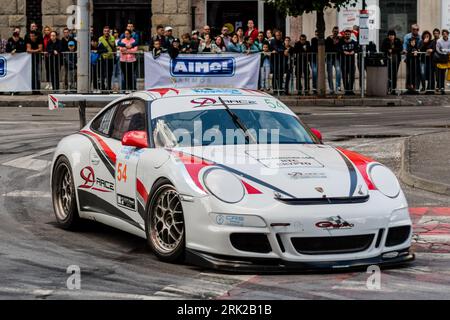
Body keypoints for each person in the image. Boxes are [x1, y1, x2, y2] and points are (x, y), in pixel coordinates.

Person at [381, 30, 403, 95]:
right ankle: (387, 88)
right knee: (388, 75)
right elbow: (382, 48)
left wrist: (392, 50)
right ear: (388, 36)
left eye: (392, 36)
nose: (391, 37)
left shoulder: (397, 40)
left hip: (396, 60)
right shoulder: (385, 40)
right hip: (387, 60)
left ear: (394, 36)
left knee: (394, 75)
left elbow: (400, 48)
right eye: (390, 36)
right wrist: (388, 50)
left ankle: (393, 89)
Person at [338, 28, 359, 95]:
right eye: (346, 34)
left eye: (348, 34)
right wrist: (343, 52)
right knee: (344, 76)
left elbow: (358, 49)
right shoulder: (341, 42)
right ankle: (346, 90)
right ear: (344, 34)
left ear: (350, 35)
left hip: (352, 63)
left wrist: (354, 51)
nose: (347, 35)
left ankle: (350, 90)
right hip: (343, 63)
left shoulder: (353, 42)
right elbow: (337, 49)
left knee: (352, 76)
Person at [98, 26, 116, 91]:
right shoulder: (100, 39)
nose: (106, 32)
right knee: (103, 74)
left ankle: (108, 87)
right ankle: (102, 87)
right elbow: (99, 48)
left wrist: (108, 40)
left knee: (109, 74)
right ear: (103, 32)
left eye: (107, 31)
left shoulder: (112, 38)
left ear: (109, 32)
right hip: (103, 58)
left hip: (111, 58)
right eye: (105, 31)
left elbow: (113, 46)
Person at [325, 26, 342, 94]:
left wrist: (336, 44)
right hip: (329, 58)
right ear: (332, 32)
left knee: (338, 71)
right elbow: (327, 48)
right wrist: (333, 42)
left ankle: (338, 87)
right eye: (334, 31)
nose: (336, 33)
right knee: (330, 73)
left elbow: (340, 48)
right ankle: (331, 89)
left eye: (337, 32)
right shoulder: (328, 39)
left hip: (337, 58)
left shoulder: (340, 39)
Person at [435, 29, 450, 95]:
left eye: (446, 34)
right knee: (440, 74)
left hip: (448, 58)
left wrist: (444, 50)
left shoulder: (449, 40)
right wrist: (442, 52)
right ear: (442, 34)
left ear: (448, 34)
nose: (444, 35)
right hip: (441, 58)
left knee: (446, 74)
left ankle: (443, 88)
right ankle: (440, 87)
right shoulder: (439, 41)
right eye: (443, 34)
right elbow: (437, 49)